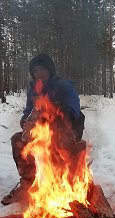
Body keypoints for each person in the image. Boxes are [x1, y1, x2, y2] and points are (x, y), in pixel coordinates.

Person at [1, 53, 85, 206]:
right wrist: (25, 121)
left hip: (65, 129)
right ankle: (28, 183)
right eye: (35, 70)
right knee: (18, 140)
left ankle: (60, 185)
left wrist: (51, 118)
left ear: (50, 70)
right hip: (41, 131)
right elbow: (29, 110)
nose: (39, 73)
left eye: (42, 69)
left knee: (56, 143)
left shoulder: (63, 86)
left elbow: (73, 110)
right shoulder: (33, 88)